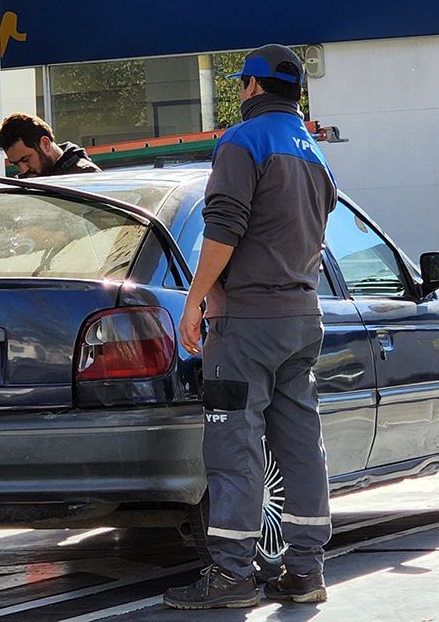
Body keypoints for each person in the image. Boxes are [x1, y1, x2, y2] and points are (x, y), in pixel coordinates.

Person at [164, 44, 338, 610]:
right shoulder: (314, 152)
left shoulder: (242, 142)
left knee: (234, 446)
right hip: (302, 320)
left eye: (241, 83)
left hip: (245, 326)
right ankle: (306, 570)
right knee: (301, 445)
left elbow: (224, 228)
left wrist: (195, 301)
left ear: (253, 86)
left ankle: (232, 575)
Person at [0, 112, 101, 179]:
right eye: (16, 164)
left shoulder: (86, 177)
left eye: (26, 159)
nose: (23, 170)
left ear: (45, 144)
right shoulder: (24, 183)